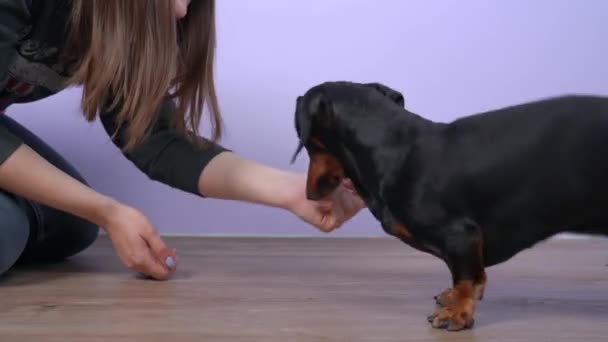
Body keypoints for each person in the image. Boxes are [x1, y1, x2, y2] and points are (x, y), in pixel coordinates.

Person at [0, 0, 365, 280]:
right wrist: (106, 210)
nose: (180, 10)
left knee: (70, 226)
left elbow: (157, 140)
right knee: (10, 230)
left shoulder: (117, 24)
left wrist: (292, 192)